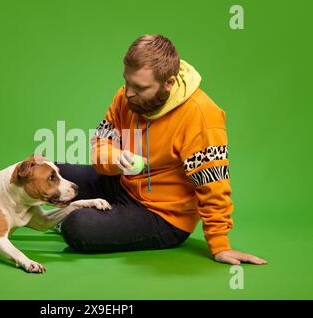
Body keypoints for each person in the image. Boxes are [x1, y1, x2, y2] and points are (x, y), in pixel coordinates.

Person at [56, 34, 267, 265]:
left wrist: (219, 243)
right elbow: (102, 141)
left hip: (163, 216)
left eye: (139, 87)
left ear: (168, 83)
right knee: (51, 173)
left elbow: (213, 182)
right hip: (123, 182)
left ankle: (83, 218)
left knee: (77, 227)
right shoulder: (127, 97)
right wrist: (115, 158)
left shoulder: (201, 115)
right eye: (127, 82)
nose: (128, 93)